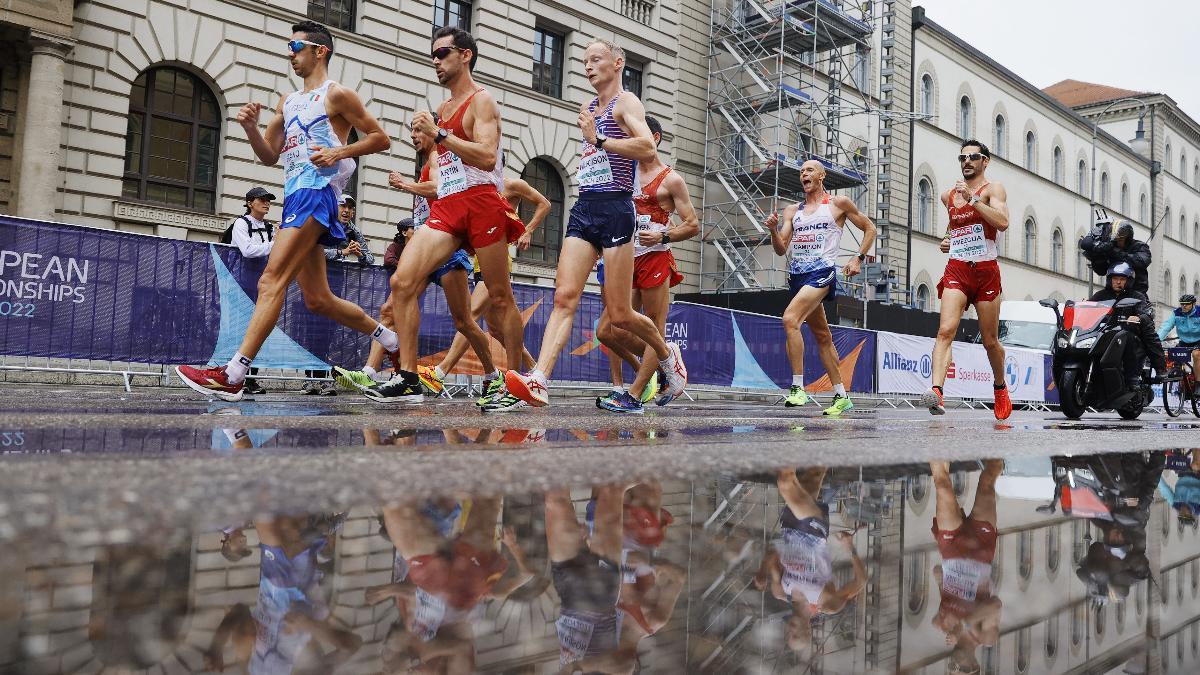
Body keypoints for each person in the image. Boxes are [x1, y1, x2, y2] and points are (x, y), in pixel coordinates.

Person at [175, 20, 396, 402]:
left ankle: (234, 373)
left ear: (319, 51)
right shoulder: (287, 101)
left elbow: (381, 138)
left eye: (295, 46)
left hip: (317, 194)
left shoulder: (337, 95)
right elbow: (268, 156)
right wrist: (249, 128)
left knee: (270, 280)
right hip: (295, 196)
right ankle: (389, 338)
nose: (289, 53)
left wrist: (339, 151)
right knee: (318, 300)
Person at [503, 39, 687, 410]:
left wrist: (599, 140)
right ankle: (539, 378)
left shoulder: (627, 103)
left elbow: (647, 148)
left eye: (596, 59)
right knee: (564, 296)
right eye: (584, 61)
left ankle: (668, 357)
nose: (588, 66)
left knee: (619, 315)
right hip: (585, 205)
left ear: (617, 63)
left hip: (616, 210)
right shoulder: (588, 106)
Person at [365, 26, 527, 405]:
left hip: (484, 202)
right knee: (402, 282)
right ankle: (407, 375)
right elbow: (445, 167)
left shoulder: (482, 101)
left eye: (442, 54)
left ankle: (517, 384)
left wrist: (438, 135)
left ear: (465, 55)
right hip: (450, 206)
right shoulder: (442, 108)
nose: (435, 61)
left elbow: (487, 156)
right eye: (433, 56)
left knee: (500, 298)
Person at [594, 115, 700, 414]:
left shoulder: (671, 179)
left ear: (653, 138)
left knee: (655, 324)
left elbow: (692, 225)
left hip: (655, 257)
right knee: (607, 330)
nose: (628, 140)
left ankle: (634, 395)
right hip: (625, 256)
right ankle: (667, 359)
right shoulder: (622, 173)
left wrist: (663, 234)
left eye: (634, 135)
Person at [418, 175, 549, 402]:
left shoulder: (511, 184)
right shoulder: (474, 187)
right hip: (479, 259)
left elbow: (544, 203)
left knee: (470, 315)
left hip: (498, 260)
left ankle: (441, 372)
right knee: (497, 331)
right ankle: (533, 370)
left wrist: (527, 231)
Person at [763, 160, 876, 417]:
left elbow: (870, 228)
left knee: (790, 319)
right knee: (823, 337)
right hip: (798, 277)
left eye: (810, 170)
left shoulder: (838, 204)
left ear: (822, 176)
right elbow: (781, 249)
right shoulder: (793, 211)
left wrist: (858, 257)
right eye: (802, 171)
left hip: (822, 273)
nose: (804, 174)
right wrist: (772, 229)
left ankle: (797, 387)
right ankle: (842, 396)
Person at [921, 140, 1012, 419]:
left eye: (973, 156)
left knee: (990, 341)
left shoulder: (992, 189)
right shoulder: (949, 195)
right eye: (962, 157)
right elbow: (955, 223)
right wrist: (948, 239)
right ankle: (936, 391)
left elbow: (1003, 222)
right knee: (945, 331)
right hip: (958, 269)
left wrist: (972, 200)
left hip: (985, 272)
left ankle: (999, 387)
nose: (967, 161)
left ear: (985, 161)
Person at [753, 467, 866, 656]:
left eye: (788, 635)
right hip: (813, 530)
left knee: (814, 474)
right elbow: (860, 582)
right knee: (785, 483)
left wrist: (763, 570)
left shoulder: (781, 592)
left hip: (788, 525)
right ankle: (787, 438)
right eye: (796, 635)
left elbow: (773, 554)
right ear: (808, 631)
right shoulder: (827, 604)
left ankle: (826, 439)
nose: (790, 631)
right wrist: (850, 547)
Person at [302, 193, 377, 395]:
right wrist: (342, 253)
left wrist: (359, 254)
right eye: (343, 206)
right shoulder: (322, 224)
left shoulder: (352, 230)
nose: (347, 211)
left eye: (351, 208)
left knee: (327, 333)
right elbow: (310, 249)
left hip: (336, 285)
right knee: (311, 332)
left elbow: (370, 258)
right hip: (313, 282)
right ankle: (310, 380)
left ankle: (324, 379)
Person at [333, 217, 415, 391]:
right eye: (412, 228)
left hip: (444, 262)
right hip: (411, 278)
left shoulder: (424, 243)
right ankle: (372, 373)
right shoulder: (400, 247)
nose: (415, 230)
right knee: (387, 314)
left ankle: (433, 374)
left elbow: (369, 258)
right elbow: (388, 259)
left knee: (467, 320)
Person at [225, 186, 276, 396]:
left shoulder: (271, 228)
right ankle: (232, 377)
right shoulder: (240, 223)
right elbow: (247, 251)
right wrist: (275, 245)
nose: (266, 203)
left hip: (262, 286)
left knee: (256, 331)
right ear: (249, 203)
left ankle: (250, 379)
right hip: (241, 284)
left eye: (268, 200)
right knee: (239, 331)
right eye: (261, 199)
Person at [1089, 262, 1167, 386]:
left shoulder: (1136, 296)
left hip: (1128, 331)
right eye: (1115, 278)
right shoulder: (1100, 295)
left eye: (1122, 279)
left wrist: (1139, 317)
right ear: (1110, 280)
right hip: (1104, 332)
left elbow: (1145, 311)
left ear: (1128, 281)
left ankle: (1154, 370)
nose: (1118, 282)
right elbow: (1089, 308)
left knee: (1148, 335)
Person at [1080, 216, 1152, 295]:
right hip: (1112, 293)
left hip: (1137, 292)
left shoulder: (1140, 246)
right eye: (1115, 240)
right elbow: (1101, 271)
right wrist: (1098, 256)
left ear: (1127, 238)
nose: (1118, 242)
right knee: (1094, 300)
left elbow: (1142, 261)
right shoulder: (1110, 246)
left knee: (1144, 306)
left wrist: (1115, 252)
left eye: (1121, 240)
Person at [1159, 293, 1200, 377]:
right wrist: (1156, 340)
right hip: (1184, 341)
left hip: (1198, 341)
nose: (1184, 306)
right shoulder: (1176, 313)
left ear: (1193, 304)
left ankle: (1198, 384)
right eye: (1182, 304)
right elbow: (1165, 327)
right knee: (1174, 356)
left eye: (1187, 304)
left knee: (1196, 354)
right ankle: (1180, 376)